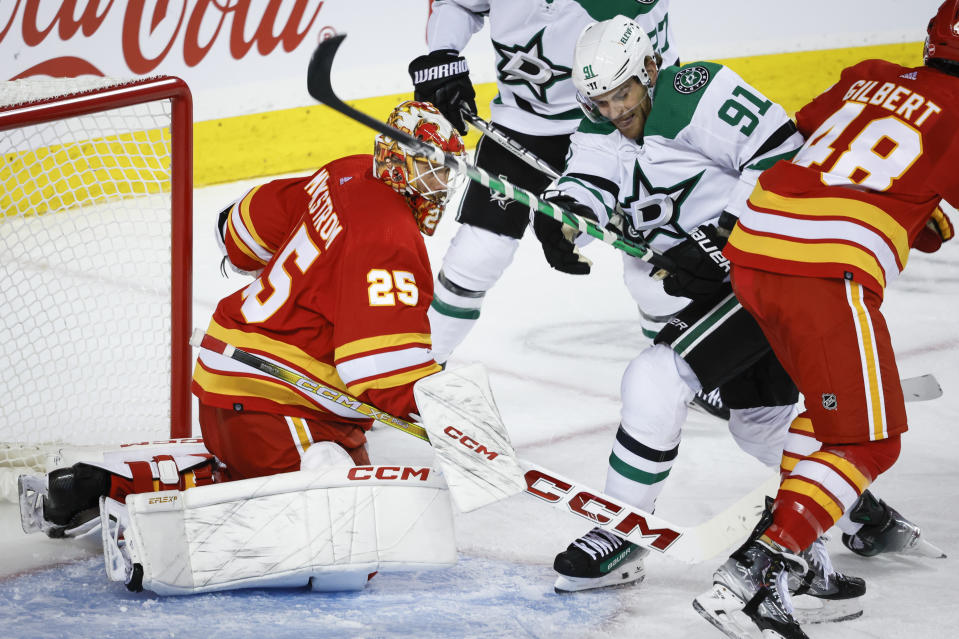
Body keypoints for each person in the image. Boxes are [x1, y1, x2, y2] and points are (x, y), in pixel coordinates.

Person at [535, 15, 931, 623]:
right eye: (600, 100)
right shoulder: (601, 123)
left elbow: (782, 154)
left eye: (623, 94)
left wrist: (724, 237)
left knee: (656, 379)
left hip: (759, 274)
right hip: (699, 295)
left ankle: (617, 531)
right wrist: (563, 216)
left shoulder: (694, 90)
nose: (614, 110)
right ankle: (855, 515)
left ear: (648, 71)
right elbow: (591, 179)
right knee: (761, 425)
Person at [21, 100, 465, 533]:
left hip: (225, 383)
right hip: (281, 406)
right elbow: (382, 369)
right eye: (433, 167)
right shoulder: (392, 238)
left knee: (256, 477)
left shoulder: (345, 172)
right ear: (398, 160)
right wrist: (451, 418)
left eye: (447, 171)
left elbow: (240, 232)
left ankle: (107, 486)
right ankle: (165, 534)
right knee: (349, 517)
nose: (442, 183)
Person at [693, 2, 959, 637]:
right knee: (871, 440)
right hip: (824, 273)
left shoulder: (867, 73)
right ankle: (757, 571)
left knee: (824, 410)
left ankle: (805, 567)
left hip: (755, 253)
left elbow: (802, 143)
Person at [408, 0, 679, 362]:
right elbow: (458, 4)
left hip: (617, 121)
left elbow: (651, 63)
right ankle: (415, 369)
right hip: (523, 123)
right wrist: (443, 54)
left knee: (653, 265)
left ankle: (688, 363)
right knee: (478, 252)